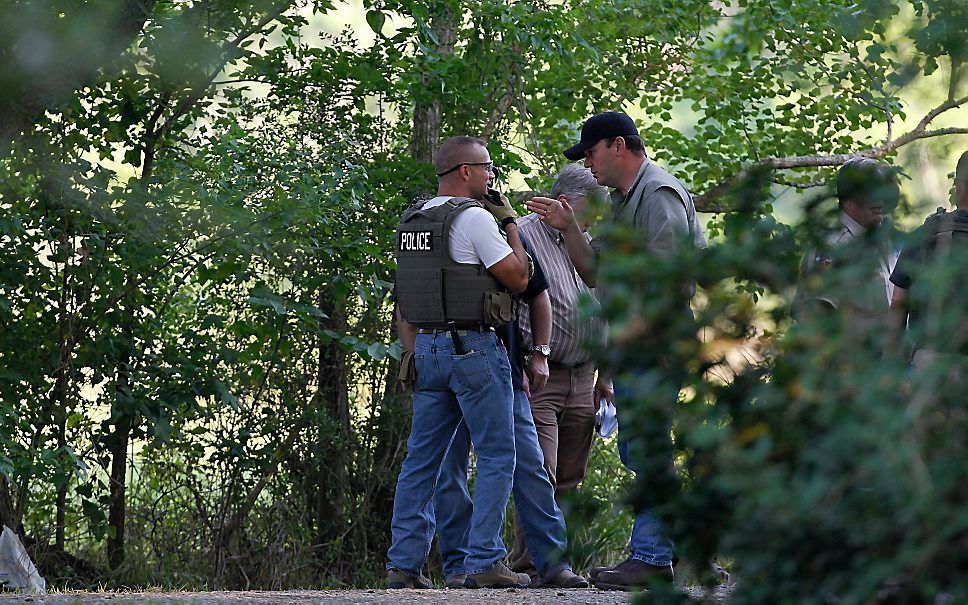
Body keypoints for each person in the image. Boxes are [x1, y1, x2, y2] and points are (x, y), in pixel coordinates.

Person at [526, 111, 706, 591]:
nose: (588, 163)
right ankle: (678, 550)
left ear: (618, 146)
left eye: (591, 151)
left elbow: (671, 279)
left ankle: (651, 557)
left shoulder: (658, 194)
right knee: (639, 447)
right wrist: (569, 228)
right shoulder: (628, 201)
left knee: (647, 446)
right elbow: (596, 272)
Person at [387, 135, 532, 589]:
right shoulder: (473, 219)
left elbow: (404, 299)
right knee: (496, 455)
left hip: (427, 349)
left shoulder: (413, 219)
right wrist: (509, 224)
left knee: (421, 461)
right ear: (465, 172)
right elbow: (521, 278)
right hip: (473, 349)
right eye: (487, 167)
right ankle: (484, 560)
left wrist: (414, 352)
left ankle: (403, 565)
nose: (492, 176)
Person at [433, 222, 588, 589]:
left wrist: (539, 354)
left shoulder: (498, 235)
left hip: (506, 368)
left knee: (530, 463)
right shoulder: (436, 233)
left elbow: (536, 291)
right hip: (445, 364)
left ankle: (551, 564)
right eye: (485, 169)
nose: (491, 178)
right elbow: (408, 306)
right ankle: (460, 565)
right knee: (448, 466)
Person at [506, 163, 611, 579]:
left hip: (584, 376)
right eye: (593, 207)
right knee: (540, 471)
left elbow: (603, 305)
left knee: (571, 475)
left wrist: (606, 376)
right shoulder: (524, 235)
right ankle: (534, 563)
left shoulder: (584, 242)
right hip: (541, 374)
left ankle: (556, 562)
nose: (597, 217)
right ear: (566, 202)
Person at [794, 157, 900, 338]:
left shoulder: (887, 240)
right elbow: (814, 320)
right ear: (848, 197)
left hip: (896, 361)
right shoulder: (831, 249)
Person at [889, 150, 968, 371]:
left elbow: (898, 303)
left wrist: (889, 365)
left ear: (958, 185)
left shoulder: (927, 233)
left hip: (932, 363)